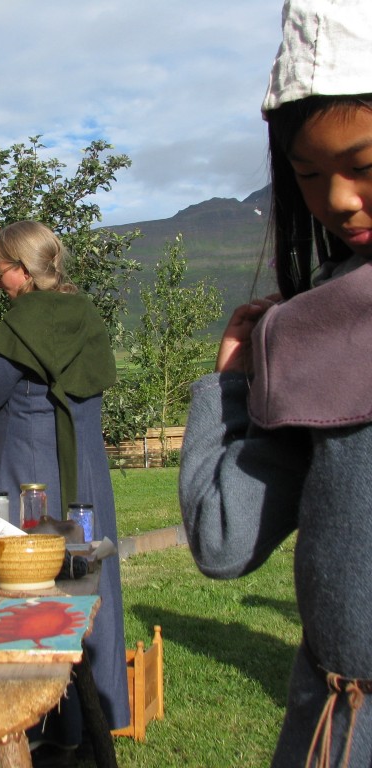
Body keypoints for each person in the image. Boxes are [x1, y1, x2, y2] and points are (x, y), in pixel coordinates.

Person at [179, 1, 372, 765]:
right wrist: (238, 379)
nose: (338, 202)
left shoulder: (311, 332)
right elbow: (225, 542)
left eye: (364, 165)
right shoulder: (310, 330)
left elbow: (220, 539)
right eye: (309, 176)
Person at [0, 221, 130, 759]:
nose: (0, 285)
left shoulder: (27, 322)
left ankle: (38, 727)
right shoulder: (83, 313)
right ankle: (91, 720)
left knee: (30, 591)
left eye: (2, 274)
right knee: (85, 587)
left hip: (34, 480)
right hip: (82, 476)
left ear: (22, 268)